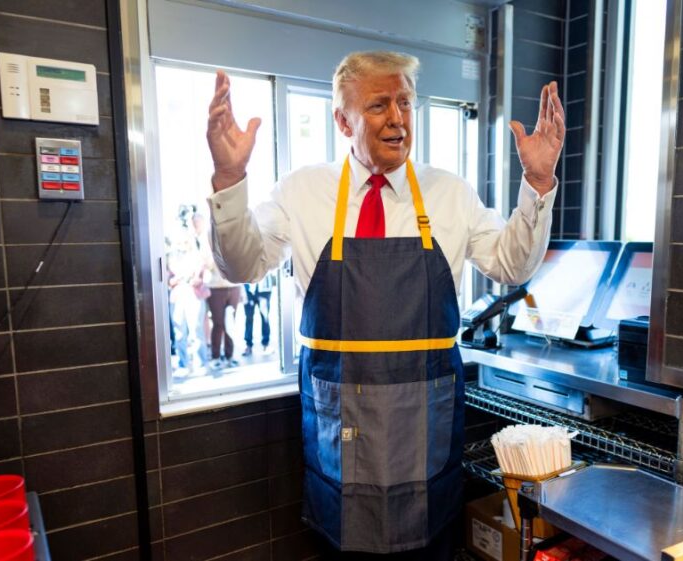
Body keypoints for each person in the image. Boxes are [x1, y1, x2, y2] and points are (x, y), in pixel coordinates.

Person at [204, 51, 565, 558]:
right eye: (378, 105)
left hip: (426, 437)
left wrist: (539, 185)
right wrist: (227, 182)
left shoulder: (450, 194)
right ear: (342, 119)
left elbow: (513, 264)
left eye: (405, 103)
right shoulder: (302, 191)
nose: (396, 118)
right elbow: (240, 266)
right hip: (341, 433)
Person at [241, 274, 273, 357]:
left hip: (264, 288)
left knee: (265, 317)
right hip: (248, 288)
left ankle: (266, 343)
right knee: (248, 318)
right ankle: (248, 344)